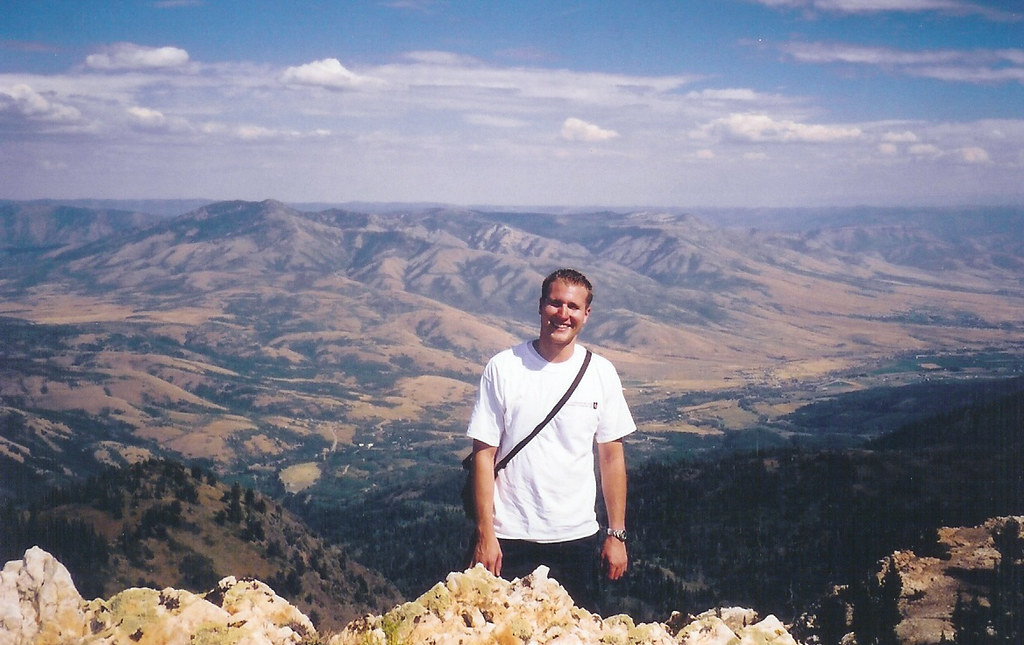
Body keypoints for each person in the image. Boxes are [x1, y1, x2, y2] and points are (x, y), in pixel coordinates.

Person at [465, 268, 636, 611]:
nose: (563, 314)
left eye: (573, 307)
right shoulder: (504, 368)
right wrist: (486, 534)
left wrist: (616, 534)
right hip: (510, 538)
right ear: (540, 306)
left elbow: (611, 458)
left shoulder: (601, 373)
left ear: (586, 314)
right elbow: (483, 455)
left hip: (577, 539)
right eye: (555, 304)